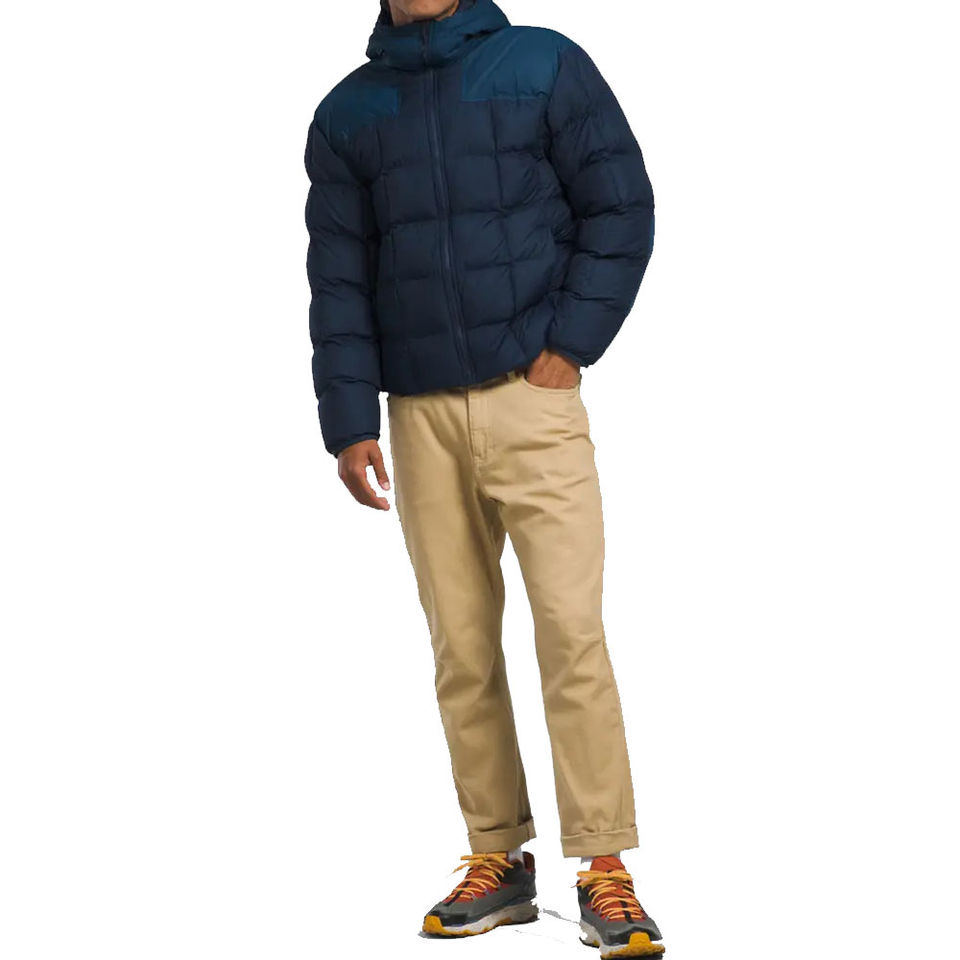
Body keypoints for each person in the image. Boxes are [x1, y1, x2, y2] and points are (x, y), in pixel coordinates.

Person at [305, 1, 662, 955]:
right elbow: (339, 275)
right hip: (418, 417)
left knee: (571, 633)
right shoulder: (347, 113)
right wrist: (350, 419)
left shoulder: (542, 65)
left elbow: (621, 205)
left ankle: (604, 866)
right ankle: (497, 857)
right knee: (461, 648)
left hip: (532, 401)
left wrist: (569, 346)